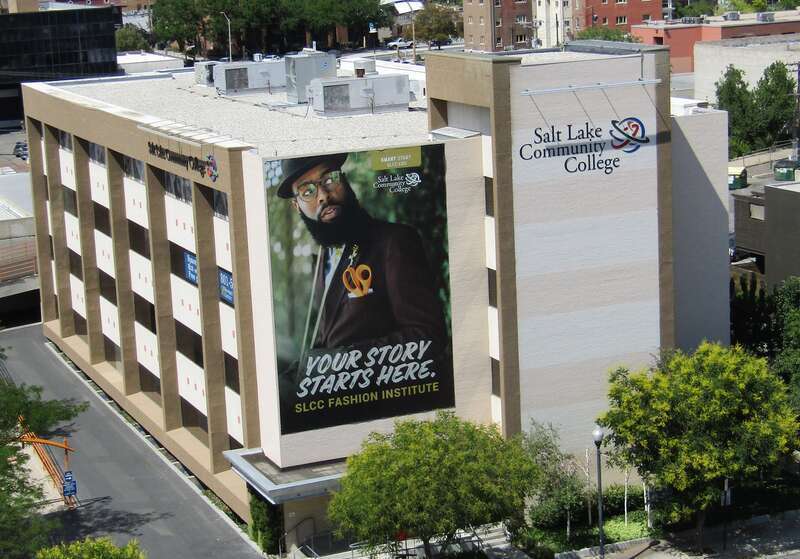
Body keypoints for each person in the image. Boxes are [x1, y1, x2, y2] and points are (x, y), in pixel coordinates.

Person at [275, 153, 448, 358]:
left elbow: (428, 335)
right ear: (297, 206)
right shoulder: (322, 259)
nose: (322, 195)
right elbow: (329, 338)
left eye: (330, 179)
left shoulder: (394, 242)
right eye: (307, 191)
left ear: (345, 180)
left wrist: (343, 360)